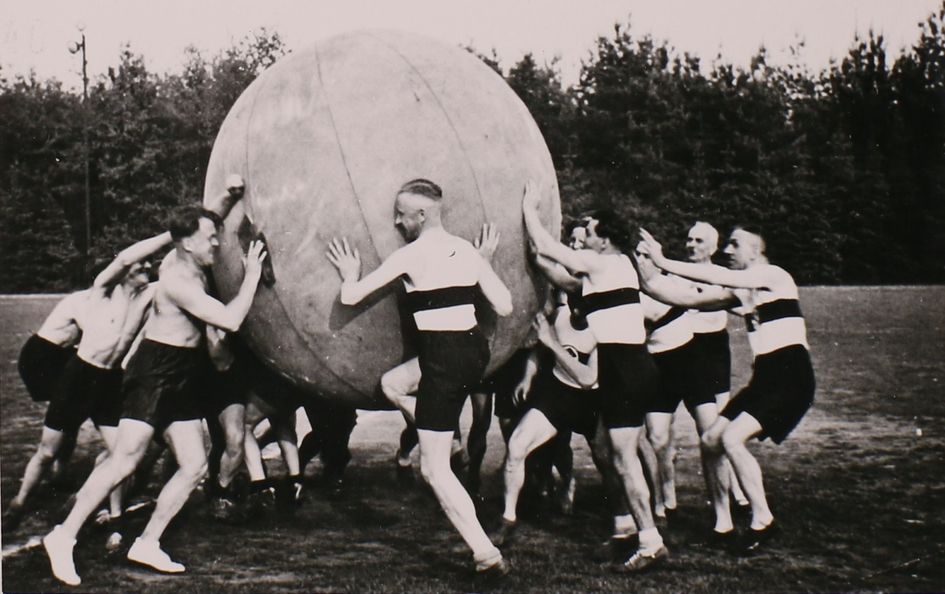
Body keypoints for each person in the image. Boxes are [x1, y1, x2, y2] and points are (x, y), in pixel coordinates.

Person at [42, 175, 265, 586]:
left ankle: (147, 542)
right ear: (186, 243)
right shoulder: (178, 281)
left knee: (195, 464)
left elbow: (206, 219)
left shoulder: (187, 255)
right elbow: (231, 319)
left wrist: (229, 196)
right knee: (125, 459)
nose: (217, 243)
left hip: (180, 373)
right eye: (210, 239)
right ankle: (63, 535)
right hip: (154, 372)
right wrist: (252, 275)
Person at [327, 178, 513, 578]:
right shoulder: (466, 250)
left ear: (422, 214)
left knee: (433, 469)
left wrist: (349, 272)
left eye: (402, 213)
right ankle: (438, 428)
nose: (396, 221)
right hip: (471, 352)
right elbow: (505, 304)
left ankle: (485, 553)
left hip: (443, 360)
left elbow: (350, 298)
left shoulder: (409, 256)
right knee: (392, 384)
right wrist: (481, 265)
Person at [638, 226, 816, 553]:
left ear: (756, 251)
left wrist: (663, 259)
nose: (729, 250)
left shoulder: (774, 276)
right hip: (765, 379)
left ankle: (763, 521)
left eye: (736, 244)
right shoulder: (746, 293)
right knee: (710, 440)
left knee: (732, 439)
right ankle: (723, 525)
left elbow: (714, 275)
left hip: (791, 377)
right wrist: (647, 278)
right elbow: (686, 298)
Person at [522, 180, 668, 573]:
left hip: (623, 370)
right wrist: (538, 263)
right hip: (631, 367)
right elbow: (566, 280)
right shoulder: (614, 268)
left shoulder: (603, 262)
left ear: (605, 241)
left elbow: (552, 250)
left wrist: (529, 210)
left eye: (589, 231)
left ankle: (650, 541)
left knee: (622, 460)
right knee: (607, 449)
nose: (583, 236)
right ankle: (623, 531)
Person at [6, 232, 169, 530]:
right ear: (125, 271)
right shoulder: (102, 291)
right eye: (141, 264)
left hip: (110, 382)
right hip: (79, 377)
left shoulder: (148, 294)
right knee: (47, 450)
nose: (147, 267)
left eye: (149, 264)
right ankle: (18, 503)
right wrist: (172, 233)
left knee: (121, 453)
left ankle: (115, 517)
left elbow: (181, 270)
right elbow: (125, 257)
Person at [636, 252, 734, 540]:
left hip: (692, 365)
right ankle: (665, 503)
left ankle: (723, 515)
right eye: (637, 257)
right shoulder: (630, 292)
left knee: (711, 436)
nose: (642, 261)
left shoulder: (669, 284)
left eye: (646, 256)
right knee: (657, 439)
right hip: (659, 371)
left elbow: (704, 299)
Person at [684, 222, 749, 509]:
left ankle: (737, 492)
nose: (691, 245)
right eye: (689, 239)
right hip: (686, 349)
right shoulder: (677, 273)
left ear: (712, 247)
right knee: (705, 426)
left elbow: (740, 305)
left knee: (722, 423)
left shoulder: (723, 275)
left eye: (699, 241)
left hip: (715, 350)